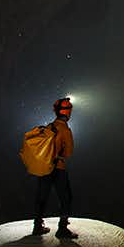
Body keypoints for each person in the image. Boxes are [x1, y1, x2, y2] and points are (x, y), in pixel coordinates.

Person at [32, 98, 78, 238]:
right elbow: (69, 152)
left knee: (42, 197)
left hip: (44, 166)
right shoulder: (64, 129)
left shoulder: (49, 127)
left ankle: (37, 226)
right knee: (66, 198)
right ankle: (62, 229)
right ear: (68, 113)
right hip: (58, 167)